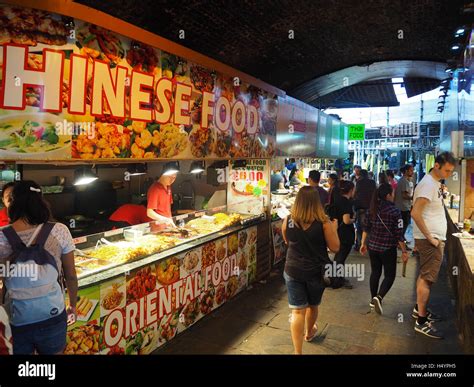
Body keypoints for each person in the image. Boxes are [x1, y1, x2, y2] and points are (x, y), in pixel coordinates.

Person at [0, 181, 78, 354]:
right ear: (41, 201)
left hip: (16, 319)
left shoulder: (1, 236)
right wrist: (72, 305)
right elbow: (71, 276)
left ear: (12, 202)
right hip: (52, 316)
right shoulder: (60, 230)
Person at [282, 186, 340, 354]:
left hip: (292, 269)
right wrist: (334, 229)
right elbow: (335, 247)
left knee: (297, 310)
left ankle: (297, 352)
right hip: (316, 271)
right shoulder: (324, 223)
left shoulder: (289, 219)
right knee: (312, 306)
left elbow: (287, 240)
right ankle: (308, 333)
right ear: (317, 202)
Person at [411, 152, 456, 339]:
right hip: (431, 240)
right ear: (436, 165)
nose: (448, 173)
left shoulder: (434, 183)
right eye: (446, 170)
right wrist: (430, 238)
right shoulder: (428, 184)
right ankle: (421, 322)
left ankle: (419, 310)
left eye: (451, 171)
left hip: (432, 239)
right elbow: (415, 213)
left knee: (425, 276)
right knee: (427, 279)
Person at [360, 183, 408, 315]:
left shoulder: (372, 209)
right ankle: (379, 297)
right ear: (388, 195)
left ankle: (372, 299)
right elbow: (399, 234)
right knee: (390, 275)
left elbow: (366, 228)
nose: (393, 196)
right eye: (392, 194)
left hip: (373, 247)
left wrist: (363, 243)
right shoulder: (395, 211)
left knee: (375, 272)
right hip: (387, 249)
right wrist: (404, 251)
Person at [332, 180, 356, 289]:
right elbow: (346, 220)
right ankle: (336, 280)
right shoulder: (346, 202)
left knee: (339, 257)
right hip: (345, 234)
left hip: (337, 232)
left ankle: (338, 278)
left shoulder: (337, 200)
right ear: (351, 190)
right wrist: (353, 219)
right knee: (340, 257)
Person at [353, 169, 376, 251]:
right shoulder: (372, 182)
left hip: (361, 207)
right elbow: (375, 193)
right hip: (371, 207)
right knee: (369, 226)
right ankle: (369, 244)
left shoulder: (359, 182)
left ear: (361, 175)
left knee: (360, 227)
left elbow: (354, 193)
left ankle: (359, 244)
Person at [394, 164, 414, 248]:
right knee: (403, 226)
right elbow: (404, 195)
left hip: (402, 207)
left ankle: (401, 240)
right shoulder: (404, 181)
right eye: (411, 170)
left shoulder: (403, 180)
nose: (412, 172)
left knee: (402, 226)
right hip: (403, 207)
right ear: (406, 171)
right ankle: (400, 242)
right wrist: (414, 197)